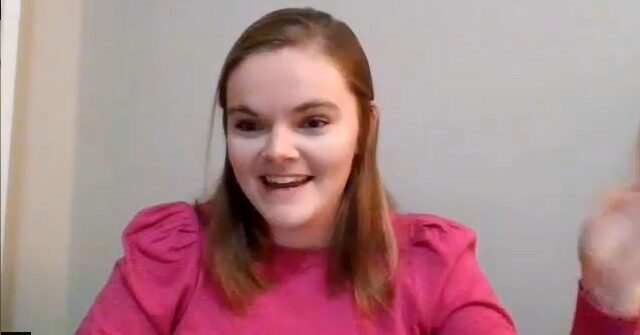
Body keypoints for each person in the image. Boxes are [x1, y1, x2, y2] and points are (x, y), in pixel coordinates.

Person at [76, 8, 639, 334]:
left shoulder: (431, 266)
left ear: (365, 128)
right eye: (249, 125)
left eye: (313, 123)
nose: (278, 150)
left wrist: (610, 304)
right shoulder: (169, 255)